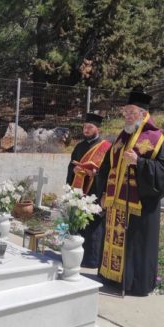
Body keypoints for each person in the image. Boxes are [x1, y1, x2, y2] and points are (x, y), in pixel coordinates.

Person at [98, 88, 164, 296]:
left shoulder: (156, 138)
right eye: (125, 112)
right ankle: (111, 278)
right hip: (115, 203)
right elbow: (107, 166)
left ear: (143, 113)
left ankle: (133, 283)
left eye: (131, 112)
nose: (127, 116)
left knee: (135, 244)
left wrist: (139, 162)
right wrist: (103, 193)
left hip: (139, 205)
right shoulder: (122, 137)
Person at [66, 112, 111, 268]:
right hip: (79, 191)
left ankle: (92, 260)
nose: (86, 130)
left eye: (89, 127)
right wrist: (74, 170)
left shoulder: (107, 148)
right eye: (84, 127)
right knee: (78, 223)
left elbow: (109, 170)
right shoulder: (79, 146)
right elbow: (71, 165)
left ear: (98, 128)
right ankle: (75, 255)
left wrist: (95, 174)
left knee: (93, 226)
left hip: (95, 191)